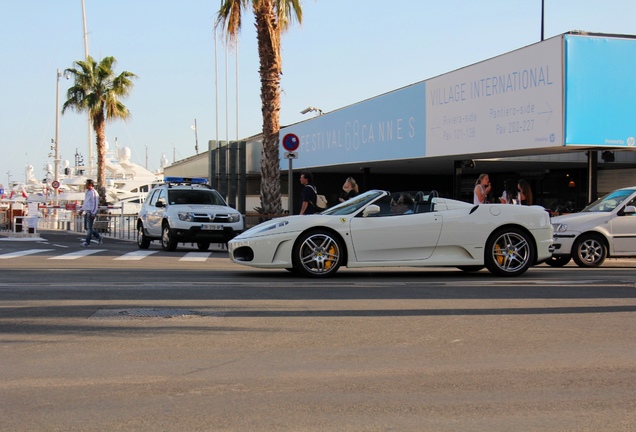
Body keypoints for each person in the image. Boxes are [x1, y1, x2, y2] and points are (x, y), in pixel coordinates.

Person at [80, 179, 103, 247]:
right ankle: (99, 237)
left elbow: (95, 204)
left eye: (87, 184)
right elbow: (86, 202)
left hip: (91, 212)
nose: (85, 185)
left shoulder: (94, 193)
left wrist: (93, 213)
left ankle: (87, 242)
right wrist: (82, 210)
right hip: (87, 211)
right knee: (87, 228)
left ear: (90, 184)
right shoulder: (87, 192)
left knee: (89, 228)